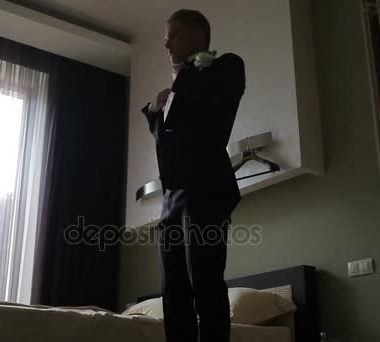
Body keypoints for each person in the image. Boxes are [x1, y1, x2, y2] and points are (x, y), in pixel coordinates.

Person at [141, 9, 246, 342]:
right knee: (173, 289)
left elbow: (205, 105)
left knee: (204, 279)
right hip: (173, 198)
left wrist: (178, 80)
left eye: (172, 34)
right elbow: (170, 142)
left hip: (207, 189)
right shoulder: (184, 86)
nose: (165, 43)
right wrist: (156, 113)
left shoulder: (226, 66)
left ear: (199, 34)